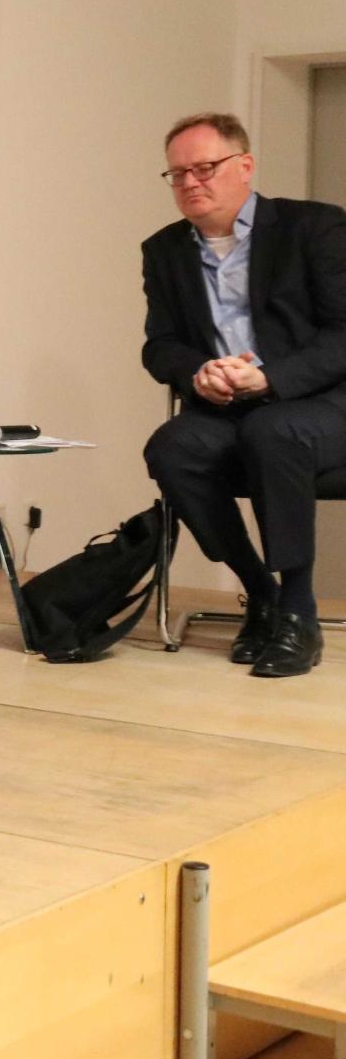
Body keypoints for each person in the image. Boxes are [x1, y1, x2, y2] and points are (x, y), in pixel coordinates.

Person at [142, 111, 346, 678]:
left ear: (245, 166)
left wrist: (273, 379)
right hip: (228, 408)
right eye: (177, 174)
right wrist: (197, 370)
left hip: (322, 406)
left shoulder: (316, 228)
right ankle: (260, 593)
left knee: (272, 430)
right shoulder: (165, 251)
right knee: (171, 447)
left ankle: (299, 611)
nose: (190, 183)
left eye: (204, 168)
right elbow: (159, 346)